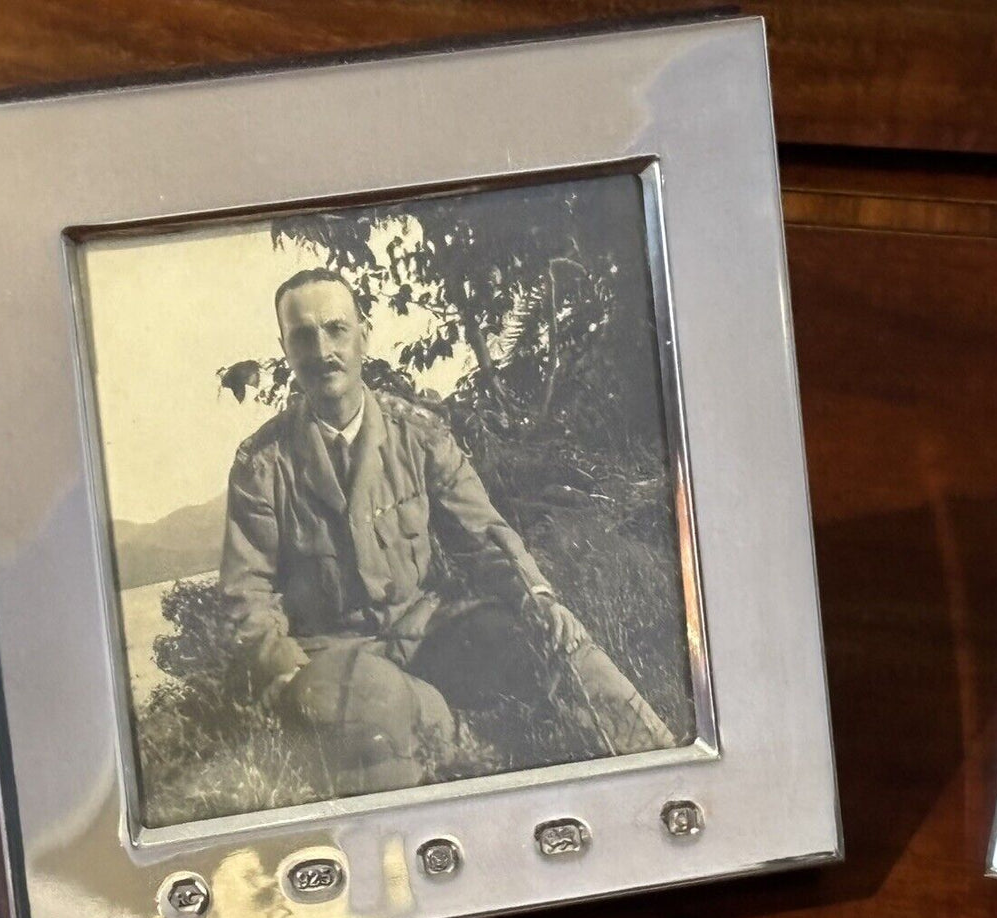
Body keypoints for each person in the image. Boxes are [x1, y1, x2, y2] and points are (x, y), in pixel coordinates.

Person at [220, 267, 676, 793]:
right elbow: (246, 590)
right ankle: (467, 743)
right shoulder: (262, 463)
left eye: (336, 329)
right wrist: (282, 667)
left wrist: (538, 598)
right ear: (285, 348)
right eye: (303, 336)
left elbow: (485, 536)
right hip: (337, 654)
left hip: (427, 629)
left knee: (557, 639)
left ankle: (664, 773)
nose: (322, 349)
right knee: (363, 705)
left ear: (363, 334)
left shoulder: (418, 431)